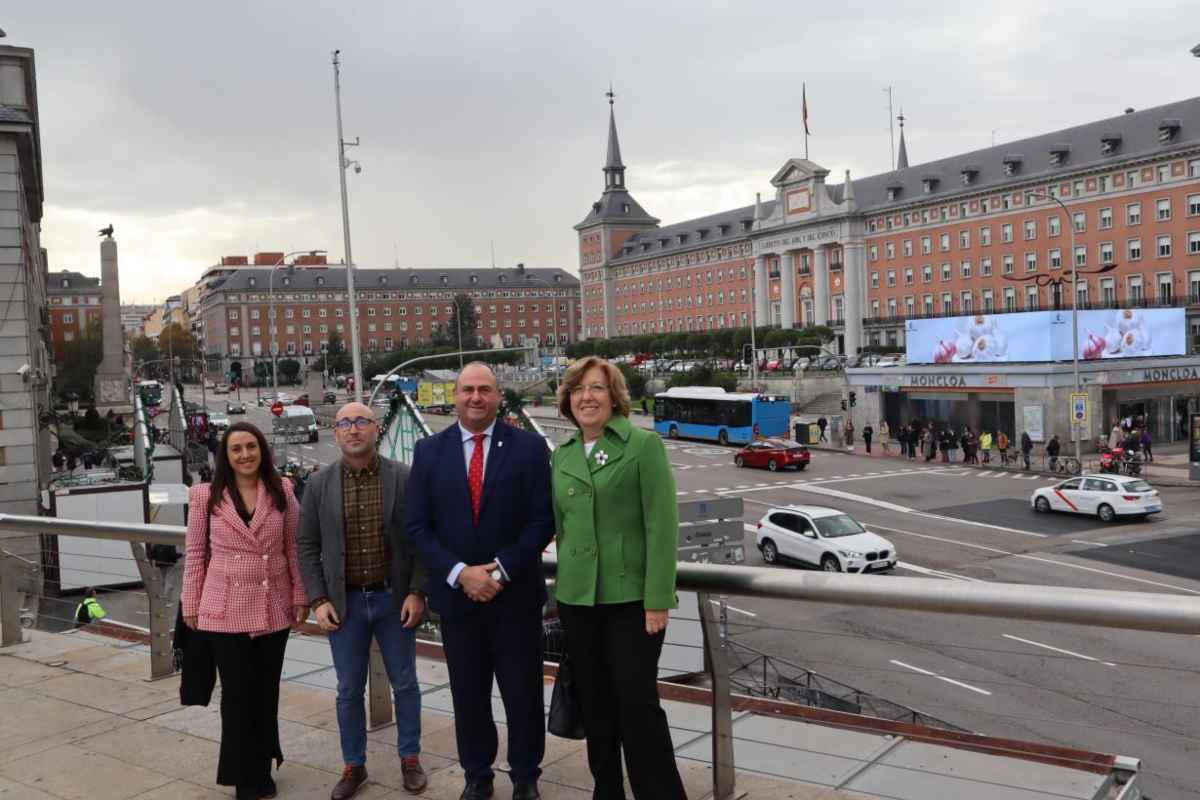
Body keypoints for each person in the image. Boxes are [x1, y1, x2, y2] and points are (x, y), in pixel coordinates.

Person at [407, 363, 554, 800]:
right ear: (454, 396)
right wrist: (460, 574)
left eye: (484, 390)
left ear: (497, 396)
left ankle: (525, 776)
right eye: (468, 390)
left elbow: (542, 520)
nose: (476, 397)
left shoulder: (528, 449)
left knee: (523, 696)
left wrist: (501, 569)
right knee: (468, 697)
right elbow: (417, 527)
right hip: (458, 601)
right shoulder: (429, 451)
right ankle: (478, 775)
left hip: (515, 597)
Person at [551, 356, 687, 800]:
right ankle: (606, 791)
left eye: (596, 388)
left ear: (614, 397)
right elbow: (560, 525)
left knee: (638, 708)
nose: (586, 397)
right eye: (577, 390)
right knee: (596, 705)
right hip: (577, 600)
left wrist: (657, 599)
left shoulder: (641, 446)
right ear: (568, 400)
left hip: (631, 602)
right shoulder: (564, 454)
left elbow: (661, 526)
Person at [296, 402, 430, 799]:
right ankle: (354, 765)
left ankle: (410, 758)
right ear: (335, 433)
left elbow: (421, 540)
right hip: (345, 603)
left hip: (394, 599)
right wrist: (318, 599)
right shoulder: (319, 484)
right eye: (344, 423)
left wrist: (417, 591)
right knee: (347, 689)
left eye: (361, 422)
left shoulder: (404, 478)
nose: (353, 430)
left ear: (375, 429)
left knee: (405, 683)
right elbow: (306, 545)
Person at [181, 422, 307, 800]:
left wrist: (301, 594)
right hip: (223, 609)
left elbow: (294, 548)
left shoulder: (282, 489)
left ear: (262, 450)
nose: (245, 455)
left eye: (251, 446)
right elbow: (195, 552)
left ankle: (265, 765)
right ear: (225, 456)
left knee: (265, 692)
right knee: (237, 695)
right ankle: (243, 777)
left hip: (273, 605)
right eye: (236, 449)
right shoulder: (205, 495)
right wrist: (191, 602)